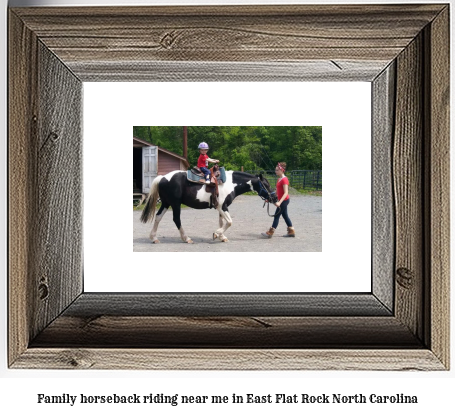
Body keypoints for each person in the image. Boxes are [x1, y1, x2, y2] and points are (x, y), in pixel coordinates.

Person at [261, 162, 295, 238]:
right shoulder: (279, 179)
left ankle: (270, 233)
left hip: (284, 201)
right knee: (285, 216)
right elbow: (277, 191)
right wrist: (269, 199)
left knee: (276, 216)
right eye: (275, 170)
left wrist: (279, 202)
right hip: (281, 201)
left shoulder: (284, 180)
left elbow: (286, 193)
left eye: (277, 170)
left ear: (282, 170)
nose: (275, 171)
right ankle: (291, 231)